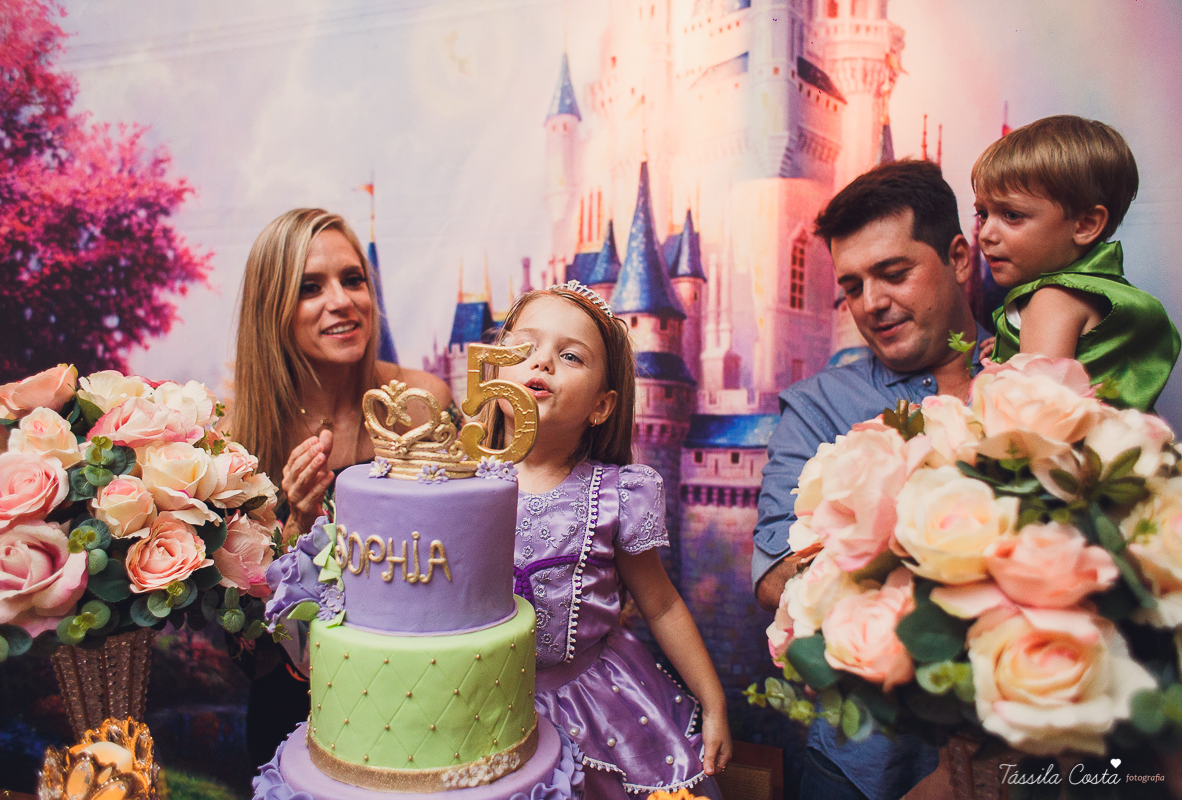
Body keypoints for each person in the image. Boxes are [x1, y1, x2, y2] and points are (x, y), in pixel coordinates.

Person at [753, 160, 973, 800]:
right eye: (852, 285)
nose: (870, 304)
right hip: (856, 768)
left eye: (894, 273)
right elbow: (774, 573)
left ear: (958, 258)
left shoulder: (1036, 378)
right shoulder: (819, 405)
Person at [486, 283, 732, 800]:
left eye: (570, 355)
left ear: (601, 405)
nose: (542, 363)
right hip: (479, 702)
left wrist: (713, 701)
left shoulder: (618, 494)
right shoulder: (459, 484)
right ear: (493, 372)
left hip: (593, 708)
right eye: (523, 348)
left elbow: (661, 605)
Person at [225, 207, 452, 766]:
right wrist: (296, 525)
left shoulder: (423, 402)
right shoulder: (234, 437)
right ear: (272, 309)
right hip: (296, 704)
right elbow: (245, 641)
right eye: (310, 288)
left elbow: (460, 557)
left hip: (420, 693)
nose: (342, 300)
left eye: (353, 280)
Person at [972, 114, 1179, 411]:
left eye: (1011, 215)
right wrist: (1011, 346)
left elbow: (1035, 416)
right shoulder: (1097, 290)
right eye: (983, 214)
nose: (986, 234)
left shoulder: (1051, 300)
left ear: (1084, 225)